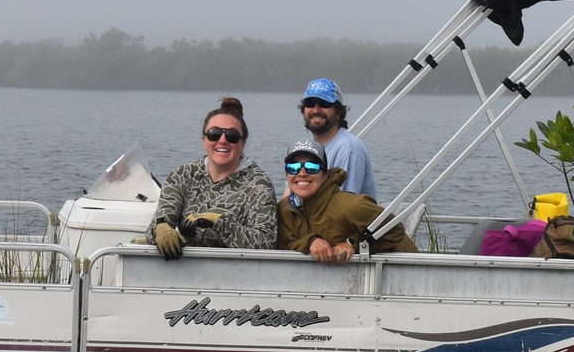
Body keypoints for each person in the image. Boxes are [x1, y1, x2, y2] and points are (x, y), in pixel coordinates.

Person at [146, 96, 278, 258]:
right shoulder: (181, 176)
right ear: (204, 140)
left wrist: (218, 222)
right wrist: (161, 229)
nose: (222, 141)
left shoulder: (259, 184)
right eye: (214, 134)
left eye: (232, 136)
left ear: (243, 143)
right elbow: (153, 232)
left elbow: (266, 243)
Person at [276, 139, 415, 263]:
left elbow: (395, 230)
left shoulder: (350, 206)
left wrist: (352, 244)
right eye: (293, 167)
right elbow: (282, 242)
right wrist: (310, 242)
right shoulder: (284, 209)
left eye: (312, 167)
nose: (302, 173)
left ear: (324, 175)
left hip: (405, 274)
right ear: (287, 175)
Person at [295, 77, 376, 199]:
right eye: (310, 103)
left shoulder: (349, 148)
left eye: (324, 104)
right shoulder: (307, 148)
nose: (316, 110)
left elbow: (342, 207)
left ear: (339, 112)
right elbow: (289, 195)